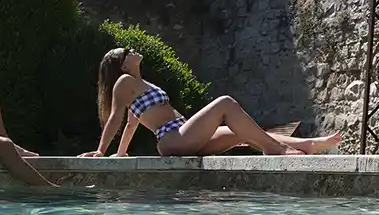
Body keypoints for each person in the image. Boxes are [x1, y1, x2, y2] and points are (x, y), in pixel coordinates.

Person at [83, 47, 342, 158]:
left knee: (239, 132)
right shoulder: (124, 82)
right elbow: (116, 117)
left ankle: (306, 144)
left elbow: (131, 124)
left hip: (182, 135)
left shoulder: (140, 85)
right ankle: (277, 150)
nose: (132, 51)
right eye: (126, 52)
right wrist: (102, 151)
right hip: (173, 137)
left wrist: (120, 153)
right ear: (122, 63)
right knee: (225, 104)